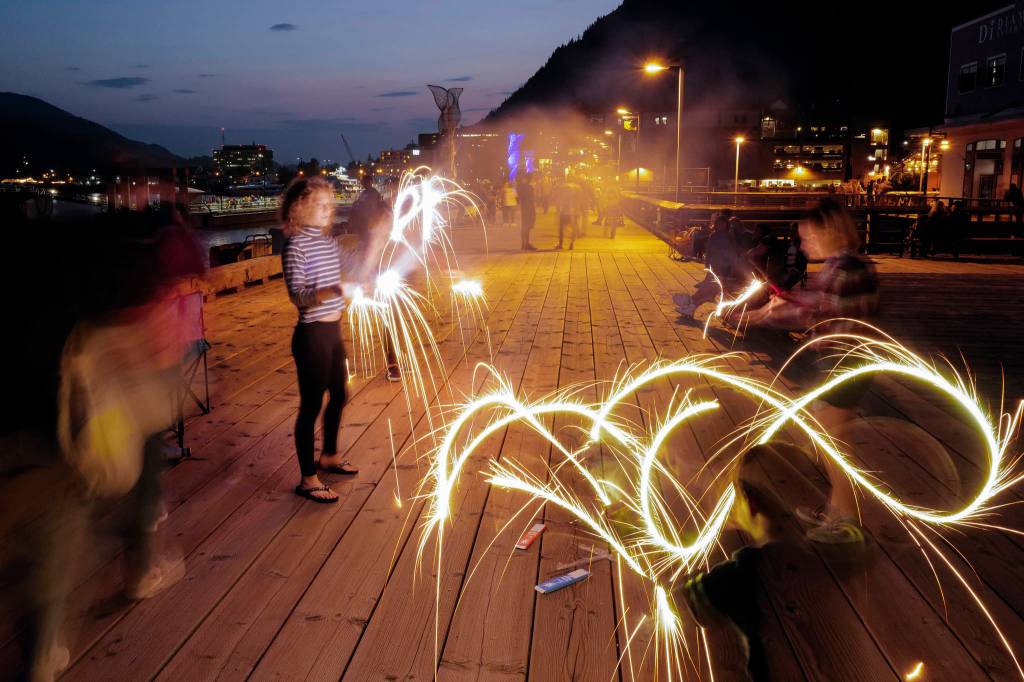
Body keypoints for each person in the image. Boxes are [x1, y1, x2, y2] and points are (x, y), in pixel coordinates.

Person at [738, 199, 878, 540]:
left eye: (806, 238)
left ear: (828, 232)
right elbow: (819, 306)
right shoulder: (846, 265)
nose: (801, 246)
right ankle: (835, 509)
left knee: (834, 445)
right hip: (844, 362)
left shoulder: (843, 268)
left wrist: (767, 314)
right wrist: (782, 306)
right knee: (831, 439)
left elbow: (820, 314)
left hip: (845, 364)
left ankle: (845, 520)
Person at [676, 441, 866, 680]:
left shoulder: (743, 573)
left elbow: (685, 601)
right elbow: (852, 527)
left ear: (750, 503)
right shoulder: (841, 547)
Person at [281, 176, 360, 504]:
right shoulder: (295, 245)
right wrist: (335, 289)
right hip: (311, 336)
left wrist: (381, 244)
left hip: (332, 331)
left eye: (330, 204)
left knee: (339, 394)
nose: (329, 209)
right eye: (320, 204)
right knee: (311, 404)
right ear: (300, 208)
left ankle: (328, 456)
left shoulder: (328, 243)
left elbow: (355, 264)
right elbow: (297, 296)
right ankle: (307, 478)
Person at [349, 175, 400, 381]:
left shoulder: (370, 202)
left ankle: (394, 361)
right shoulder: (377, 207)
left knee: (392, 316)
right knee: (390, 316)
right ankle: (393, 362)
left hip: (389, 268)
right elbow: (371, 241)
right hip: (381, 269)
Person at [673, 211, 748, 317]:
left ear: (727, 225)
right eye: (718, 224)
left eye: (723, 224)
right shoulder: (714, 236)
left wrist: (731, 269)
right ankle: (689, 305)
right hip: (715, 269)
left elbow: (732, 255)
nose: (720, 226)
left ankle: (689, 303)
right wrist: (708, 265)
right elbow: (710, 252)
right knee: (707, 293)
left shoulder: (728, 238)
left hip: (722, 271)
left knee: (708, 292)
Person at [517, 173, 538, 251]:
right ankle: (526, 244)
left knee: (524, 226)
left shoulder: (520, 187)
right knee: (527, 226)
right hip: (529, 208)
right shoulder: (529, 187)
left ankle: (524, 244)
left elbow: (519, 197)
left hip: (524, 208)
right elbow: (531, 199)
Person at [553, 181, 576, 250]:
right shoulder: (574, 197)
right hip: (572, 214)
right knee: (573, 229)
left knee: (561, 229)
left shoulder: (564, 198)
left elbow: (559, 205)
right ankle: (572, 244)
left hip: (565, 214)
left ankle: (561, 244)